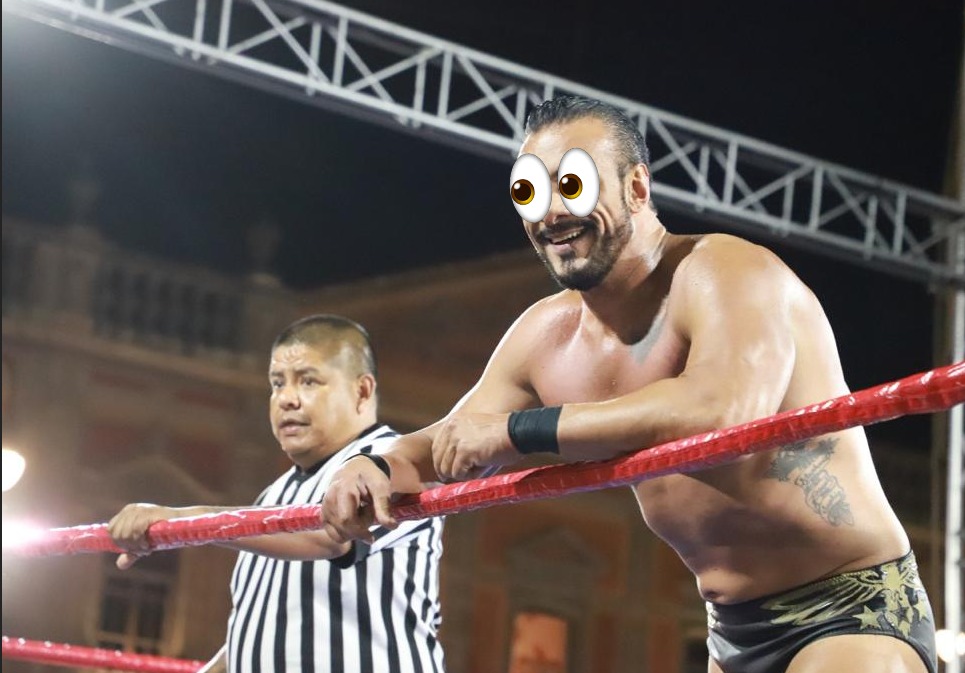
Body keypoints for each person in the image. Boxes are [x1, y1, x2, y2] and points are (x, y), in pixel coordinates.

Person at [320, 96, 937, 673]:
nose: (552, 213)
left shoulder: (726, 272)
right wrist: (375, 463)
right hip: (731, 629)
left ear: (637, 188)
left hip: (849, 602)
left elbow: (722, 410)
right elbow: (454, 442)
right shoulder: (545, 337)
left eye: (572, 185)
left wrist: (519, 431)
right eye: (531, 192)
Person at [108, 314, 446, 673]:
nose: (286, 399)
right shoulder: (273, 494)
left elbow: (327, 536)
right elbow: (263, 623)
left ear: (361, 391)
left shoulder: (390, 463)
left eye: (308, 381)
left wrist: (182, 521)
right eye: (277, 383)